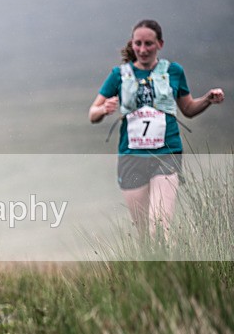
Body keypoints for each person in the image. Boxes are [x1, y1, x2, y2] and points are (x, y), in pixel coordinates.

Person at [89, 19, 225, 238]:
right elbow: (92, 114)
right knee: (144, 234)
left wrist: (207, 99)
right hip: (131, 157)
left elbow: (188, 109)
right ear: (132, 44)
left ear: (160, 44)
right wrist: (104, 109)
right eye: (138, 43)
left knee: (159, 228)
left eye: (149, 44)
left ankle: (169, 259)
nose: (143, 49)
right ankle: (151, 262)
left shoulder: (174, 72)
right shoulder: (119, 74)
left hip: (166, 154)